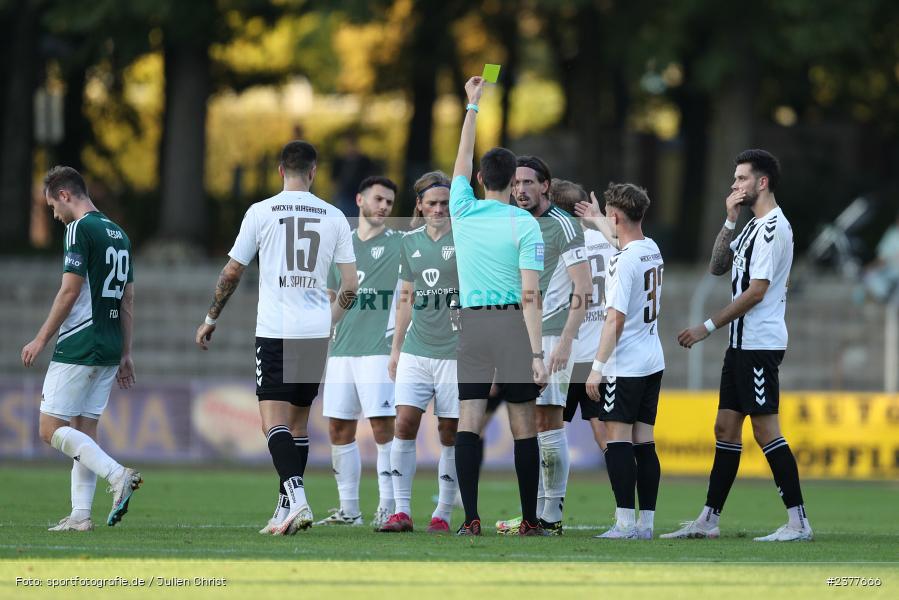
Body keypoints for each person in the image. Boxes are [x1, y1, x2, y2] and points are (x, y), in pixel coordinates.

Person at [195, 141, 358, 536]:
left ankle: (298, 499)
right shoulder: (334, 216)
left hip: (275, 330)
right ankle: (283, 508)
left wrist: (211, 317)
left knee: (273, 425)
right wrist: (329, 320)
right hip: (315, 331)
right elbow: (351, 286)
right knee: (299, 425)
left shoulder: (261, 211)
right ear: (314, 172)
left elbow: (232, 272)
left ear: (280, 170)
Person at [663, 149, 812, 542]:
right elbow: (717, 266)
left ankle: (798, 522)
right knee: (725, 427)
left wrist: (706, 326)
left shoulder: (773, 228)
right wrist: (729, 218)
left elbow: (758, 291)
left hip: (759, 345)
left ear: (762, 182)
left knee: (765, 431)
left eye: (741, 179)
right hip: (740, 345)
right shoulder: (748, 226)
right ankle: (708, 520)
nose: (734, 185)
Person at [450, 75, 547, 536]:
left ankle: (470, 517)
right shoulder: (524, 225)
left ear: (478, 180)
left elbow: (461, 158)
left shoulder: (461, 210)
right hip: (511, 325)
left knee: (469, 420)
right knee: (522, 424)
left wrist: (473, 106)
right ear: (514, 182)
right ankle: (529, 518)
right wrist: (537, 353)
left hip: (472, 324)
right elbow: (531, 296)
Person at [22, 166, 141, 531]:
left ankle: (117, 474)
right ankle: (80, 515)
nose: (54, 216)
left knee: (48, 429)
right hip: (109, 345)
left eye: (52, 207)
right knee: (84, 430)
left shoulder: (79, 229)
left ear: (64, 195)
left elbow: (70, 290)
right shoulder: (119, 234)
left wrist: (40, 338)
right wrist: (125, 352)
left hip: (80, 340)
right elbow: (128, 298)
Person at [493, 160, 591, 536]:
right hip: (517, 335)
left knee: (548, 421)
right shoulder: (512, 222)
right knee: (528, 424)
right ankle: (535, 514)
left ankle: (550, 514)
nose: (521, 189)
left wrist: (566, 340)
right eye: (516, 182)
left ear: (545, 186)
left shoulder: (563, 224)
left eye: (529, 182)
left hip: (550, 335)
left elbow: (583, 289)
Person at [316, 176, 403, 529]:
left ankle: (388, 505)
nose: (384, 207)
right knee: (339, 428)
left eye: (389, 203)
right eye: (378, 199)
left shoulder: (400, 244)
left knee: (383, 428)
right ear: (359, 200)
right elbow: (329, 293)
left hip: (379, 349)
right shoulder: (341, 245)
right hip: (341, 350)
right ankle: (349, 509)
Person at [378, 171, 460, 534]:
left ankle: (442, 512)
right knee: (405, 424)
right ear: (420, 206)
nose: (439, 209)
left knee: (449, 431)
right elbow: (406, 297)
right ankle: (401, 511)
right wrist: (396, 349)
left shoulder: (466, 240)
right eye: (433, 204)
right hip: (416, 349)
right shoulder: (409, 242)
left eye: (444, 203)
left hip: (455, 352)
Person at [585, 183, 665, 540]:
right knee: (644, 441)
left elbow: (614, 318)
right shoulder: (651, 249)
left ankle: (623, 523)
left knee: (617, 439)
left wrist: (597, 368)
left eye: (608, 215)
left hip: (625, 364)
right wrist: (599, 221)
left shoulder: (623, 260)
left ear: (616, 215)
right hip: (652, 359)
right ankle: (645, 524)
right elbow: (623, 242)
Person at [554, 181, 618, 452]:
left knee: (549, 428)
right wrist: (602, 220)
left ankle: (549, 493)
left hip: (566, 353)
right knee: (604, 430)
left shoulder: (558, 247)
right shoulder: (609, 242)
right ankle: (627, 489)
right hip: (600, 355)